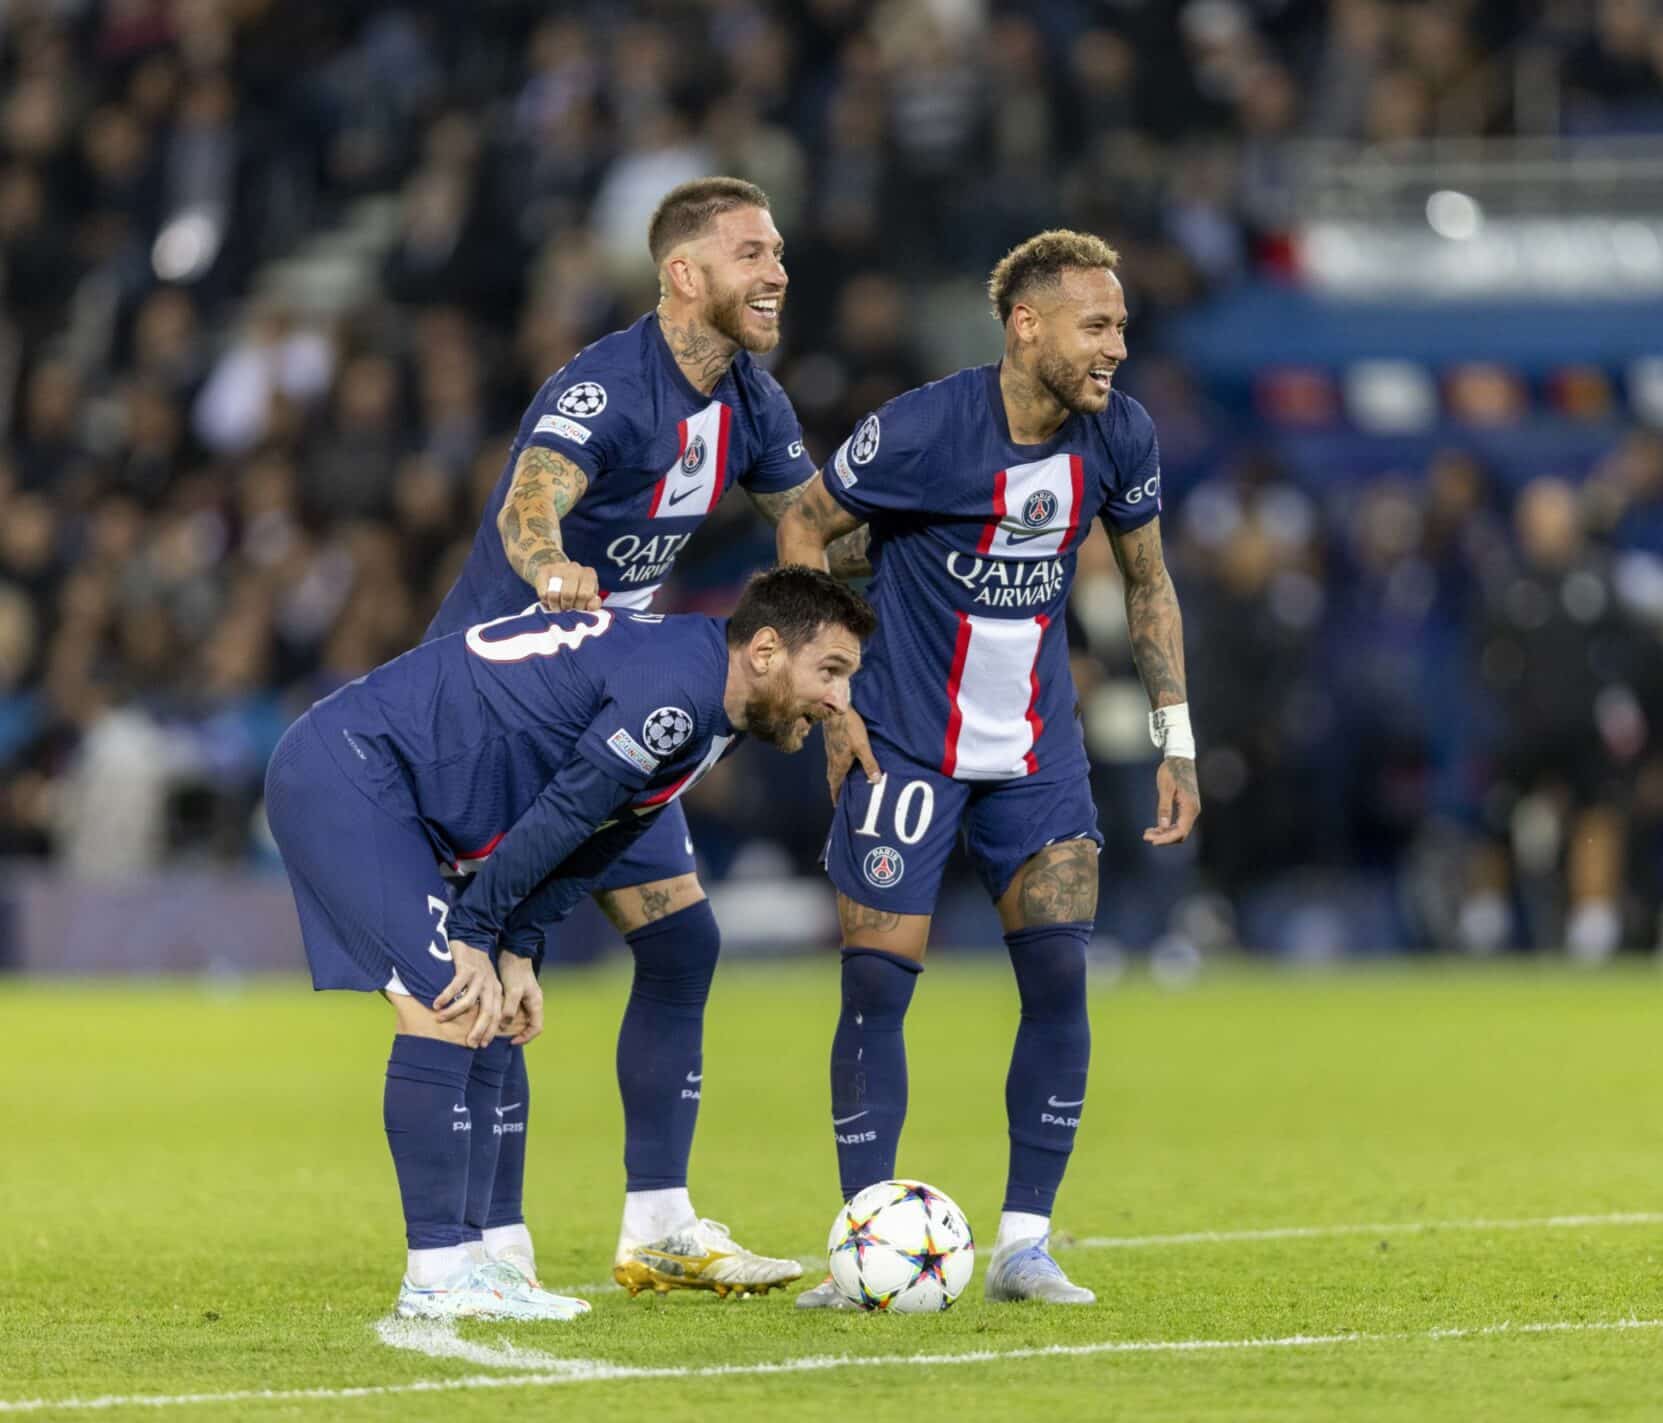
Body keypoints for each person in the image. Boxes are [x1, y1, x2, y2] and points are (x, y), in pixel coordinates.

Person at [420, 177, 872, 1299]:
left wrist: (933, 530)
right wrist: (551, 567)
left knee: (679, 945)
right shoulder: (608, 385)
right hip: (506, 703)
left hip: (618, 702)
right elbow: (531, 498)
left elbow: (809, 526)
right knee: (498, 948)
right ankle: (490, 1247)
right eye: (750, 253)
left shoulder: (752, 399)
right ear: (683, 275)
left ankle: (658, 1225)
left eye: (778, 251)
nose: (776, 271)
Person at [265, 567, 876, 1320]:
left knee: (486, 1014)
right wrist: (475, 932)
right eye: (832, 671)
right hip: (350, 771)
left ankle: (477, 1262)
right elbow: (560, 814)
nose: (839, 699)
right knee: (450, 1004)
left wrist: (517, 943)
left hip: (397, 787)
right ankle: (434, 1274)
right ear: (766, 650)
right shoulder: (675, 696)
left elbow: (606, 835)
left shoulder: (713, 703)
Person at [776, 229, 1199, 1307]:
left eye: (1120, 328)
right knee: (874, 985)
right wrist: (827, 696)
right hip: (907, 744)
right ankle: (863, 1241)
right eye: (1094, 326)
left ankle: (1024, 1245)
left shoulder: (1120, 436)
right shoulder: (921, 429)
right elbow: (802, 526)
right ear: (1026, 326)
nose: (1114, 348)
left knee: (1058, 977)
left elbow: (1147, 586)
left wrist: (1173, 736)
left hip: (1036, 755)